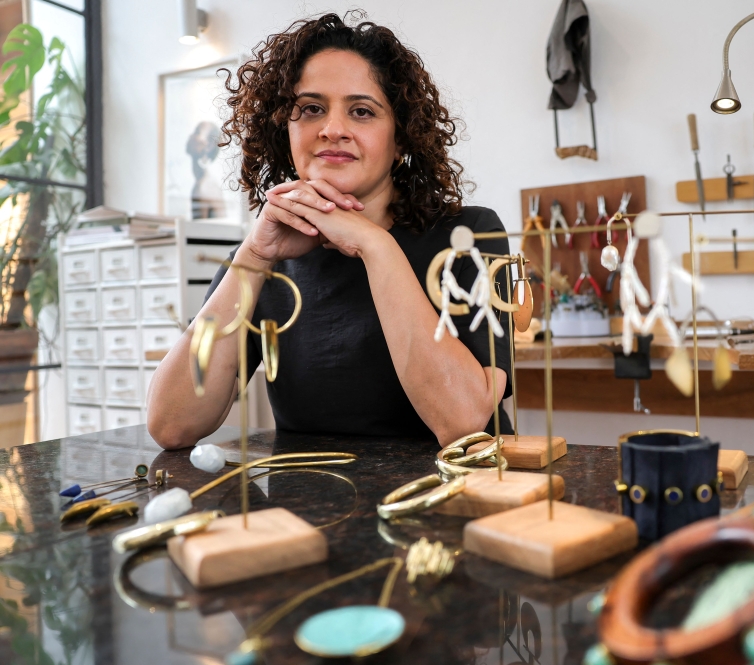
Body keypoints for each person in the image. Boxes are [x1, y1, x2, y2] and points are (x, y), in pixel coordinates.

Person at [147, 12, 512, 450]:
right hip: (313, 507)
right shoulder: (262, 259)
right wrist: (254, 258)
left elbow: (463, 422)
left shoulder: (469, 234)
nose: (333, 129)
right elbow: (170, 425)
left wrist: (376, 245)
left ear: (400, 140)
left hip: (452, 503)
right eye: (311, 109)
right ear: (286, 131)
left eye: (361, 111)